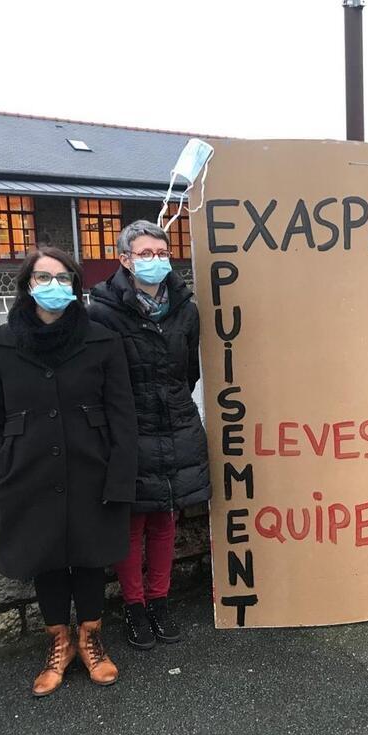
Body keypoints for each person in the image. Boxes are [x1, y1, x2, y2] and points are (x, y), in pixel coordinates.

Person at [0, 247, 137, 696]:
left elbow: (122, 415)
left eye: (64, 278)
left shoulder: (101, 340)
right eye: (44, 278)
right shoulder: (0, 344)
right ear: (27, 285)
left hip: (91, 468)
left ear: (75, 286)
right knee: (46, 560)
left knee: (89, 556)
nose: (55, 287)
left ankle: (91, 640)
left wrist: (119, 474)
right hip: (27, 473)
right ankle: (58, 643)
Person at [89, 221, 211, 650]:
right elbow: (97, 380)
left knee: (166, 518)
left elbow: (188, 371)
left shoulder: (185, 309)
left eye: (161, 253)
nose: (156, 260)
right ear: (124, 259)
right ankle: (134, 605)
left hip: (175, 424)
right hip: (129, 429)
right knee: (132, 523)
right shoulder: (101, 311)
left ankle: (160, 600)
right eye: (145, 254)